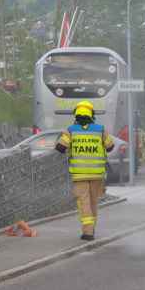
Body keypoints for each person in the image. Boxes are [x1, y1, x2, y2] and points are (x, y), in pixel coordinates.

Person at [55, 101, 114, 241]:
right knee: (93, 202)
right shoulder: (100, 130)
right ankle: (91, 229)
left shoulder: (71, 130)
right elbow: (110, 147)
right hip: (97, 174)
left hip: (79, 175)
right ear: (91, 114)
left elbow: (60, 148)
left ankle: (88, 232)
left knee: (84, 203)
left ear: (76, 114)